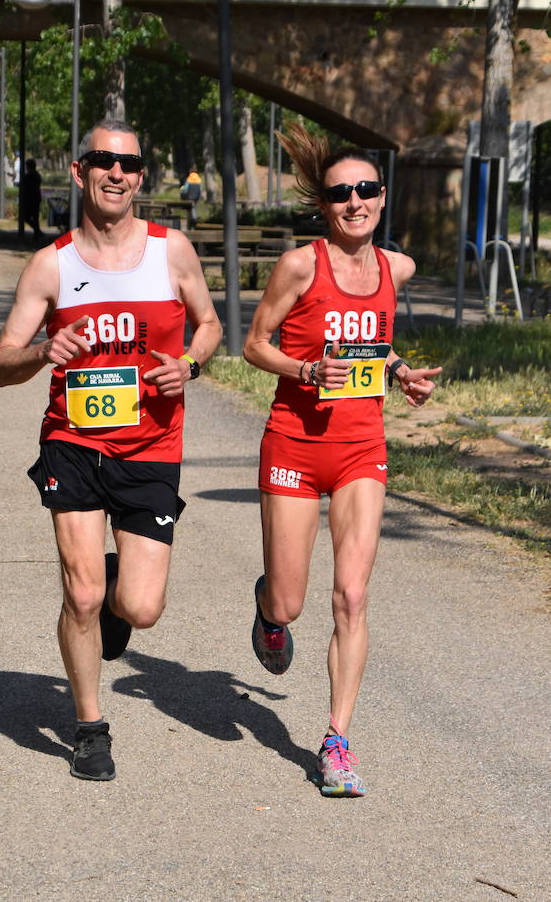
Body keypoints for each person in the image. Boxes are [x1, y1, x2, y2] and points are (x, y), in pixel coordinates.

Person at [0, 120, 222, 782]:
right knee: (82, 595)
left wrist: (190, 366)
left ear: (141, 177)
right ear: (79, 170)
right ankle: (90, 727)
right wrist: (42, 351)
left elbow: (209, 325)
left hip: (151, 445)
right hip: (72, 442)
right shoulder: (52, 264)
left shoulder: (170, 251)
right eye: (103, 162)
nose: (116, 174)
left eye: (129, 164)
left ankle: (119, 587)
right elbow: (0, 363)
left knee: (140, 607)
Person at [241, 122, 441, 798]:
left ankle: (336, 741)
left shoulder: (396, 268)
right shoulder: (301, 265)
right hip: (294, 445)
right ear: (323, 206)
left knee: (352, 596)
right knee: (293, 601)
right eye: (340, 194)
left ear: (382, 197)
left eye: (367, 190)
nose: (355, 201)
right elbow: (254, 344)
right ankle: (267, 612)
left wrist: (403, 372)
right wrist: (303, 369)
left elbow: (371, 346)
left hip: (361, 448)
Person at [18, 158, 44, 239]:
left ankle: (37, 231)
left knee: (26, 216)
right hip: (36, 198)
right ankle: (37, 231)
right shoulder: (37, 175)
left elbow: (25, 186)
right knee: (35, 216)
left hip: (30, 199)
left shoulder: (29, 176)